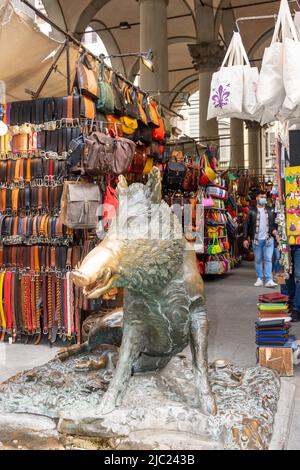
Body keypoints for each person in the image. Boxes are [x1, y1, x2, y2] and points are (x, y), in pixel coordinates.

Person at [243, 190, 280, 287]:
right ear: (257, 198)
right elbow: (246, 225)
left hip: (269, 239)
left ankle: (268, 279)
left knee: (268, 259)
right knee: (258, 259)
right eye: (261, 197)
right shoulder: (251, 211)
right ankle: (259, 278)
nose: (263, 199)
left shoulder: (270, 210)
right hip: (257, 240)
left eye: (264, 197)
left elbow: (274, 225)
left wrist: (276, 234)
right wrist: (245, 238)